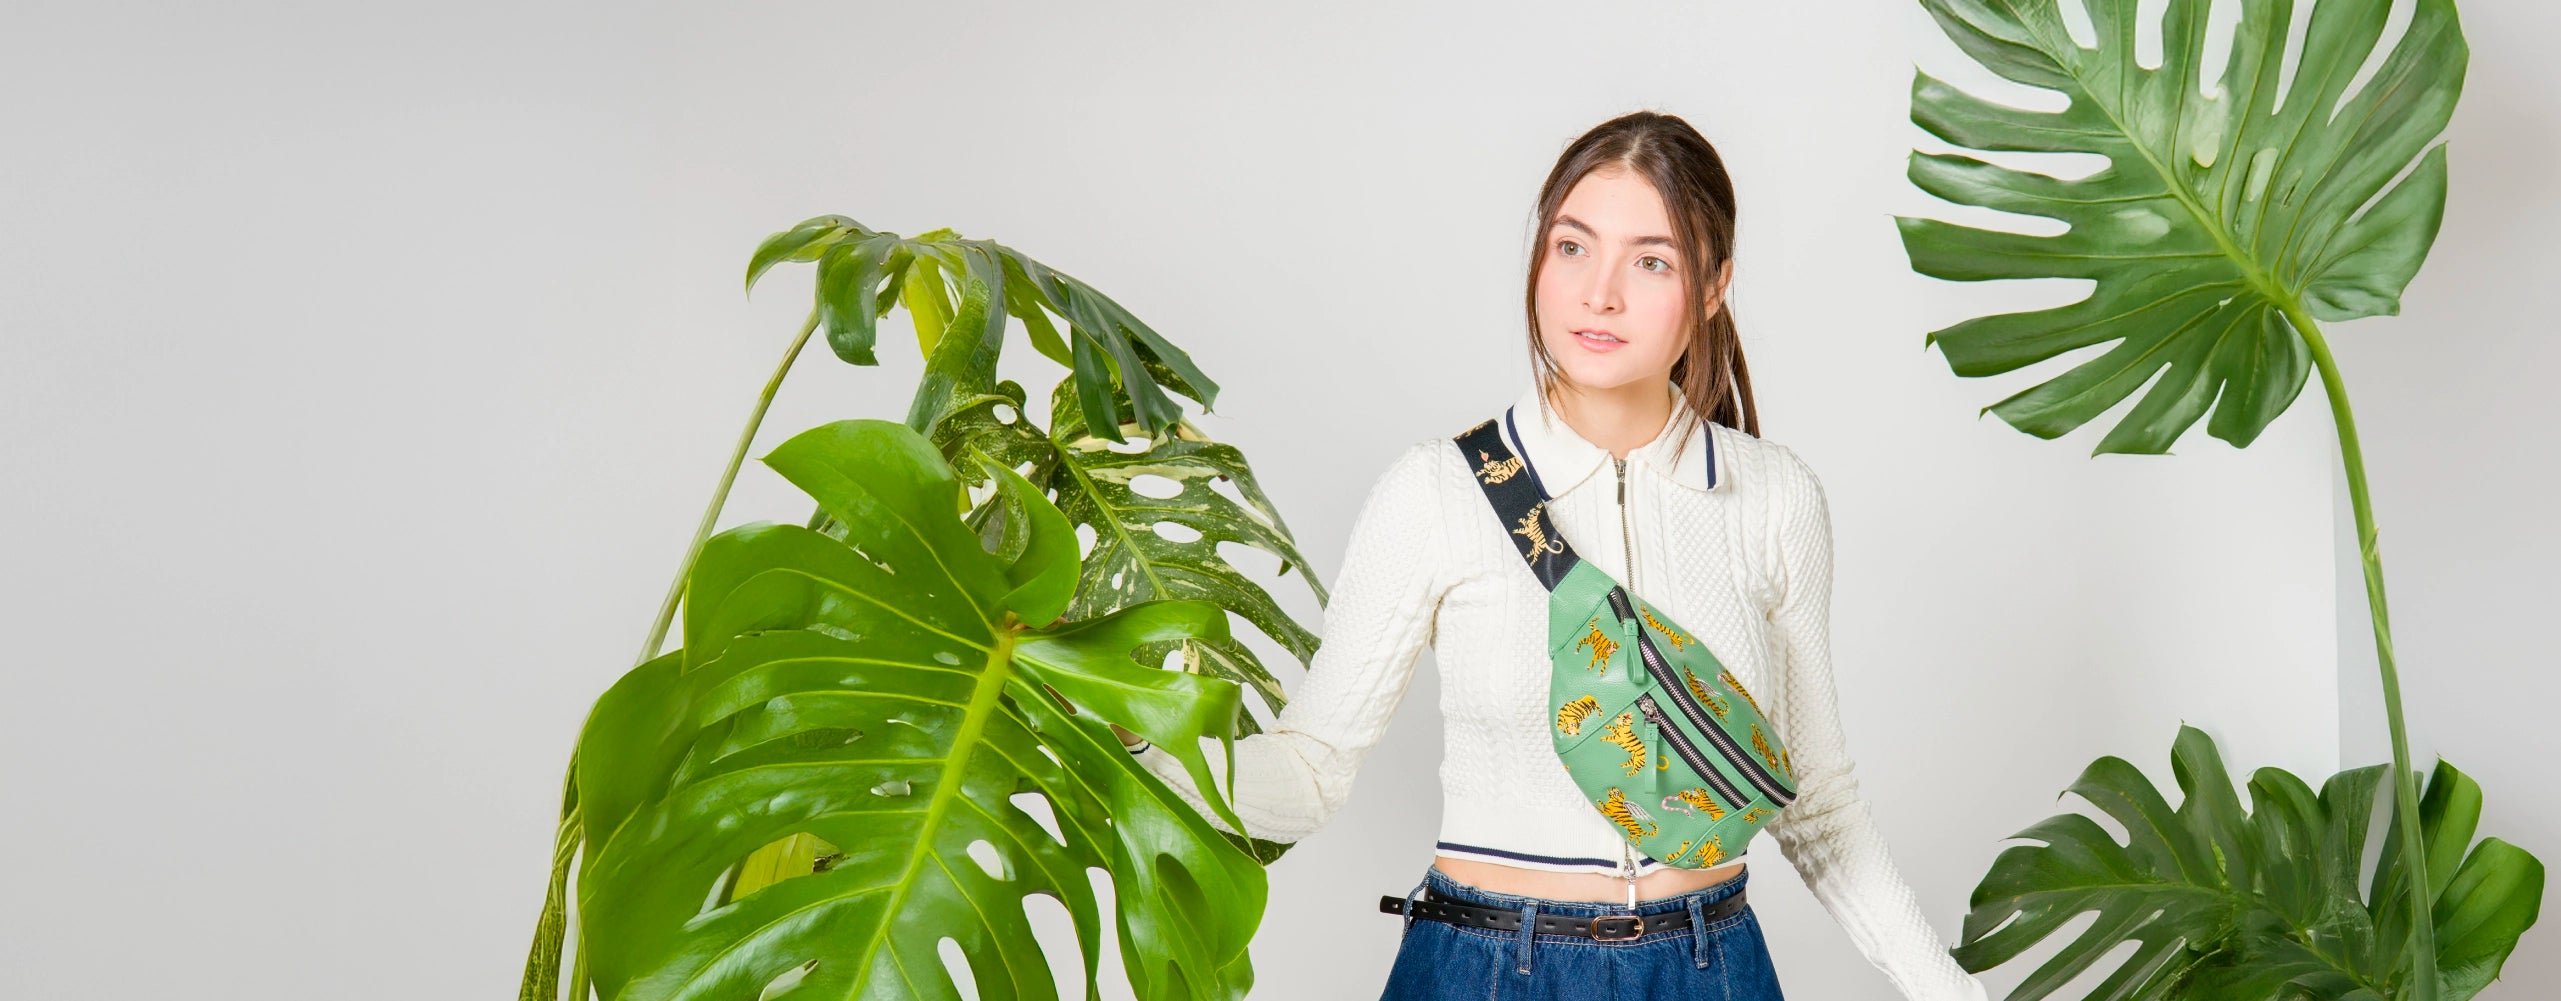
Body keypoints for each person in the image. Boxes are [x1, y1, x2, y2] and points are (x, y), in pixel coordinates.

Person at [1109, 111, 1990, 1001]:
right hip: (1488, 966)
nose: (1597, 293)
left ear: (1714, 283)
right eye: (1572, 247)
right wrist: (1125, 745)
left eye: (1651, 260)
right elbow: (1310, 770)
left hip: (1708, 967)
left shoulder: (1772, 499)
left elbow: (1820, 809)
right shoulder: (1436, 491)